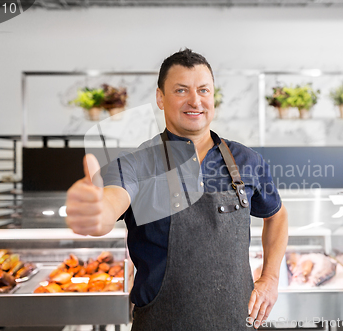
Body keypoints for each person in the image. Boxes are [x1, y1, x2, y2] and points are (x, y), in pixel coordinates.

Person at [65, 48, 288, 330]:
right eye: (181, 90)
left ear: (213, 97)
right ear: (161, 97)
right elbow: (110, 203)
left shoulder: (247, 160)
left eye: (204, 90)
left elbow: (277, 215)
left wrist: (270, 278)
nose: (195, 100)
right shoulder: (136, 164)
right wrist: (96, 212)